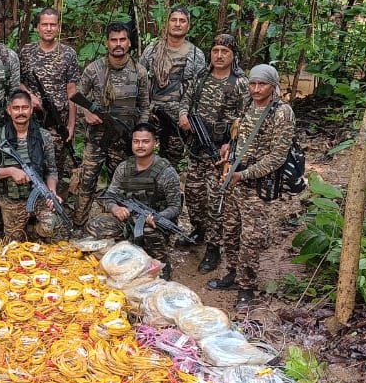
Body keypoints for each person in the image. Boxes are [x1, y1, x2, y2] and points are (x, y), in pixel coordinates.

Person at [207, 64, 295, 309]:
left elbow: (277, 156)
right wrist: (228, 151)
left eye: (262, 84)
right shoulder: (248, 104)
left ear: (273, 85)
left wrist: (244, 174)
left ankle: (247, 287)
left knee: (251, 237)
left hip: (257, 185)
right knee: (231, 230)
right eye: (253, 84)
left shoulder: (281, 113)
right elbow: (240, 137)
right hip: (235, 179)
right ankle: (233, 273)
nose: (256, 89)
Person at [180, 34, 249, 273]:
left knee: (215, 201)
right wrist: (182, 116)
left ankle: (213, 248)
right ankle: (198, 230)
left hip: (221, 153)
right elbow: (186, 100)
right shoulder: (201, 77)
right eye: (216, 50)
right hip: (197, 149)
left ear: (233, 55)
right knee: (192, 194)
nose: (219, 55)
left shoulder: (240, 83)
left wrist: (231, 143)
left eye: (225, 51)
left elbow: (246, 119)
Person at [70, 22, 150, 226]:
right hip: (97, 138)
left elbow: (144, 107)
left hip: (125, 139)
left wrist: (140, 136)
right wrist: (86, 112)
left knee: (122, 186)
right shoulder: (94, 69)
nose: (118, 44)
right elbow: (75, 97)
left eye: (122, 39)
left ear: (129, 43)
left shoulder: (139, 72)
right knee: (87, 181)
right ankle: (79, 224)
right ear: (107, 43)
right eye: (113, 40)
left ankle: (120, 226)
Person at [85, 123, 182, 277]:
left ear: (155, 143)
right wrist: (115, 209)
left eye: (145, 141)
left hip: (154, 221)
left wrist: (159, 217)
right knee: (96, 225)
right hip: (129, 217)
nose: (140, 145)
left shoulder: (166, 172)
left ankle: (162, 266)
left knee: (148, 231)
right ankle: (123, 256)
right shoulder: (124, 167)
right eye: (136, 141)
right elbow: (109, 195)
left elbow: (175, 206)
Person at [0, 89, 62, 242]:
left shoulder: (44, 136)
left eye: (24, 108)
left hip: (39, 196)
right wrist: (10, 171)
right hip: (11, 199)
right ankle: (26, 234)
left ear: (31, 109)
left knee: (53, 226)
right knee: (14, 243)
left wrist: (51, 191)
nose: (20, 112)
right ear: (9, 110)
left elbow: (52, 170)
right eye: (16, 108)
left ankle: (34, 233)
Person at [18, 7, 79, 199]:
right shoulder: (26, 52)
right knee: (30, 161)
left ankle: (53, 204)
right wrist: (30, 96)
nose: (49, 28)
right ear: (38, 27)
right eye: (45, 24)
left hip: (57, 121)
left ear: (58, 27)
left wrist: (71, 125)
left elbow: (72, 92)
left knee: (55, 166)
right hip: (30, 120)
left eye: (53, 24)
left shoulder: (68, 54)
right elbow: (17, 82)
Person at [141, 7, 208, 164]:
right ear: (167, 23)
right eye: (174, 20)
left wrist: (188, 115)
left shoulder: (195, 54)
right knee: (143, 157)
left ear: (188, 26)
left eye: (182, 21)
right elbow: (140, 79)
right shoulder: (152, 50)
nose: (177, 24)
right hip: (151, 114)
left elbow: (199, 90)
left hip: (178, 118)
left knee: (171, 160)